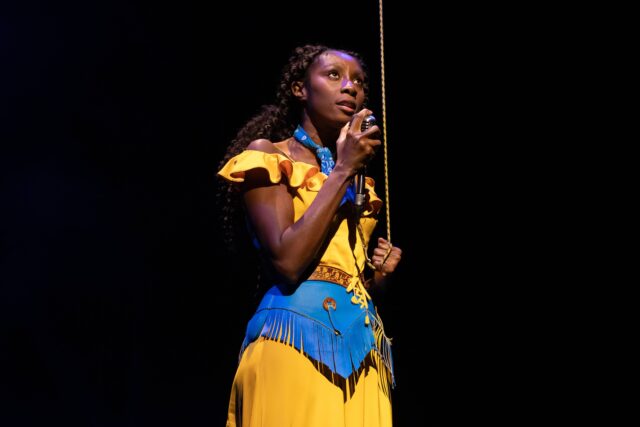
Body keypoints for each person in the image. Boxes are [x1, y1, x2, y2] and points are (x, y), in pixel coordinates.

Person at [217, 44, 403, 427]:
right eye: (334, 75)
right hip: (294, 345)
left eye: (359, 82)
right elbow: (287, 261)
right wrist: (342, 171)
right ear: (300, 89)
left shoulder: (360, 183)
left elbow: (344, 273)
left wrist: (378, 279)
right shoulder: (269, 157)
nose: (350, 87)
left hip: (364, 356)